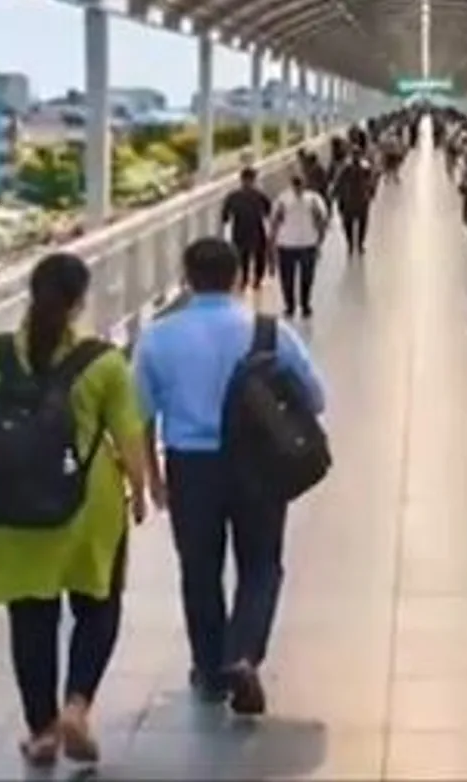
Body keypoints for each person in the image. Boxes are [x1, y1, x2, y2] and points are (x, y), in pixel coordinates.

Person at [0, 252, 154, 768]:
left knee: (30, 618)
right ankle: (77, 705)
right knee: (98, 606)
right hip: (88, 508)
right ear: (80, 302)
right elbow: (129, 436)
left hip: (9, 514)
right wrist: (142, 491)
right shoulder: (103, 363)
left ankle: (41, 732)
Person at [133, 237, 327, 717]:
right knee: (261, 563)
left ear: (186, 276)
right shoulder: (270, 332)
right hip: (260, 465)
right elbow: (317, 398)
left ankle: (209, 668)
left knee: (199, 569)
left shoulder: (158, 336)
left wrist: (154, 480)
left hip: (191, 466)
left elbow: (140, 413)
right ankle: (243, 653)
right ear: (239, 275)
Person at [268, 173, 328, 318]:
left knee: (289, 277)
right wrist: (320, 240)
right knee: (304, 277)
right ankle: (303, 305)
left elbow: (275, 223)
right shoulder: (313, 199)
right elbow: (321, 221)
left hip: (289, 244)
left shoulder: (283, 199)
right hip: (305, 243)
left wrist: (271, 243)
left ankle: (291, 306)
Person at [220, 167, 271, 291]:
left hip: (242, 230)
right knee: (253, 256)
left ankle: (249, 279)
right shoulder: (259, 196)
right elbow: (268, 211)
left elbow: (225, 215)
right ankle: (253, 279)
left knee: (247, 256)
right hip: (255, 230)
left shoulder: (233, 197)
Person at [330, 150, 375, 256]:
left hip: (360, 200)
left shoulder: (365, 168)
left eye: (357, 155)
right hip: (350, 200)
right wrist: (335, 194)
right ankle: (351, 244)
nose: (356, 157)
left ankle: (359, 244)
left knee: (361, 224)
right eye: (354, 155)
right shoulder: (346, 169)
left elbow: (371, 181)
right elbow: (339, 182)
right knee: (348, 224)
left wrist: (371, 192)